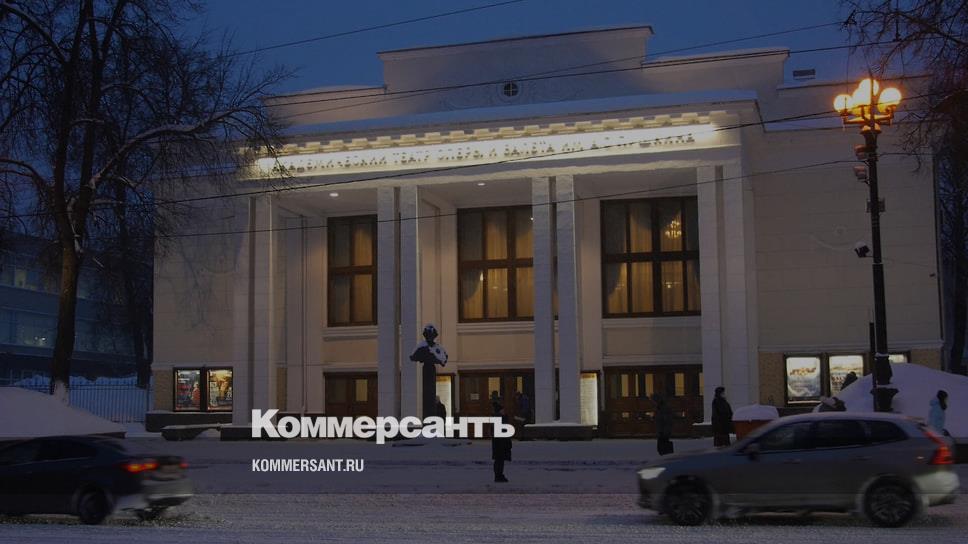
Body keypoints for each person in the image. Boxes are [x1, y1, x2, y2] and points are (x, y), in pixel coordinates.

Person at [409, 324, 448, 419]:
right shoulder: (421, 347)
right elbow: (413, 356)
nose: (430, 337)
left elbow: (444, 359)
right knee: (427, 397)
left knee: (430, 395)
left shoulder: (438, 349)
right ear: (425, 335)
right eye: (428, 334)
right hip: (426, 370)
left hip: (431, 370)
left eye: (432, 335)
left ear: (435, 335)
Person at [491, 403, 512, 482]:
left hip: (499, 442)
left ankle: (498, 475)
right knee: (500, 460)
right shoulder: (500, 419)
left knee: (499, 460)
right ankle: (498, 476)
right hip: (500, 443)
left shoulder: (497, 418)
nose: (504, 411)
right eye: (502, 410)